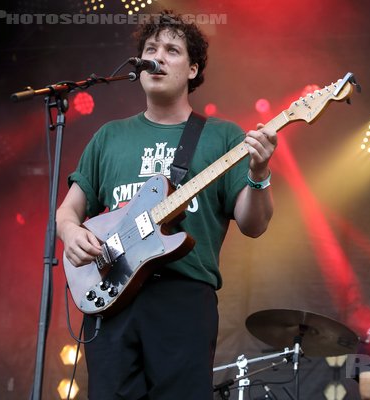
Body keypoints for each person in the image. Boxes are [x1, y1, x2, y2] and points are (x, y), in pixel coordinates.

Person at [56, 10, 277, 400]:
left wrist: (259, 172)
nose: (158, 56)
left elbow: (253, 224)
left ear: (193, 69)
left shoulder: (223, 136)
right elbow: (67, 211)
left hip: (182, 297)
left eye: (172, 50)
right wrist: (72, 233)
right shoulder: (110, 136)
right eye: (151, 49)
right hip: (111, 295)